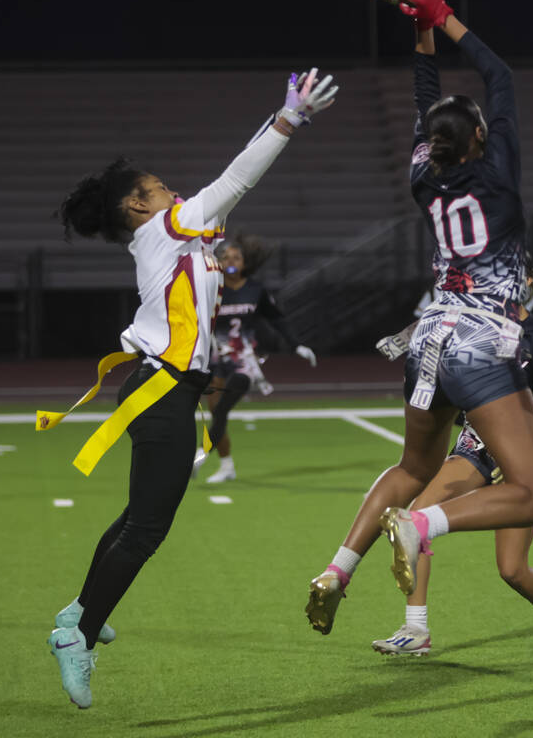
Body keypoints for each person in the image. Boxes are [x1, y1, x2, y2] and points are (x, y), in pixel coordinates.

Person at [45, 69, 337, 709]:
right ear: (137, 207)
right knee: (148, 528)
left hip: (167, 390)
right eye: (158, 188)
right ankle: (81, 638)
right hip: (162, 393)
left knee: (135, 518)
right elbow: (236, 179)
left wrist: (282, 120)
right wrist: (287, 120)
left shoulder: (173, 236)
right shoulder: (166, 230)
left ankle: (79, 613)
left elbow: (225, 199)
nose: (172, 191)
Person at [305, 0, 533, 636]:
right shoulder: (496, 173)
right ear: (479, 138)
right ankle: (422, 523)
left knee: (414, 465)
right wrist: (445, 17)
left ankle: (337, 568)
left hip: (427, 340)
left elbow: (424, 104)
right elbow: (500, 78)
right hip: (479, 343)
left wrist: (418, 31)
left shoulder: (423, 176)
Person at [372, 265, 533, 656]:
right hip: (474, 448)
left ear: (528, 281)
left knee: (512, 570)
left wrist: (526, 458)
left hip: (519, 460)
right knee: (416, 518)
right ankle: (416, 630)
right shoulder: (471, 323)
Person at [193, 234, 317, 484]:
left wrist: (297, 345)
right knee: (217, 411)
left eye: (236, 257)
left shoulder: (255, 290)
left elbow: (277, 318)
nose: (231, 260)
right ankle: (227, 466)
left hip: (244, 361)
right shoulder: (211, 288)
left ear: (244, 263)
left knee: (224, 408)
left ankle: (200, 454)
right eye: (225, 256)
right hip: (217, 359)